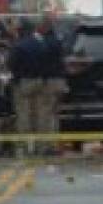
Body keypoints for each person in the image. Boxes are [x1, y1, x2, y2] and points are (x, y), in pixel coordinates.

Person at [9, 19, 47, 157]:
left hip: (23, 82)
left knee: (23, 115)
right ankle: (40, 147)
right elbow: (46, 63)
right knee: (39, 115)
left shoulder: (18, 46)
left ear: (22, 30)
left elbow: (11, 65)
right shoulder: (41, 44)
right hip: (39, 82)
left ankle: (22, 148)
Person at [38, 13, 68, 155]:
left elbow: (41, 63)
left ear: (44, 26)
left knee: (45, 114)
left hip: (48, 81)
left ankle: (46, 146)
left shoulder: (43, 43)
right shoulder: (58, 41)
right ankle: (56, 145)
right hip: (60, 80)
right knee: (56, 114)